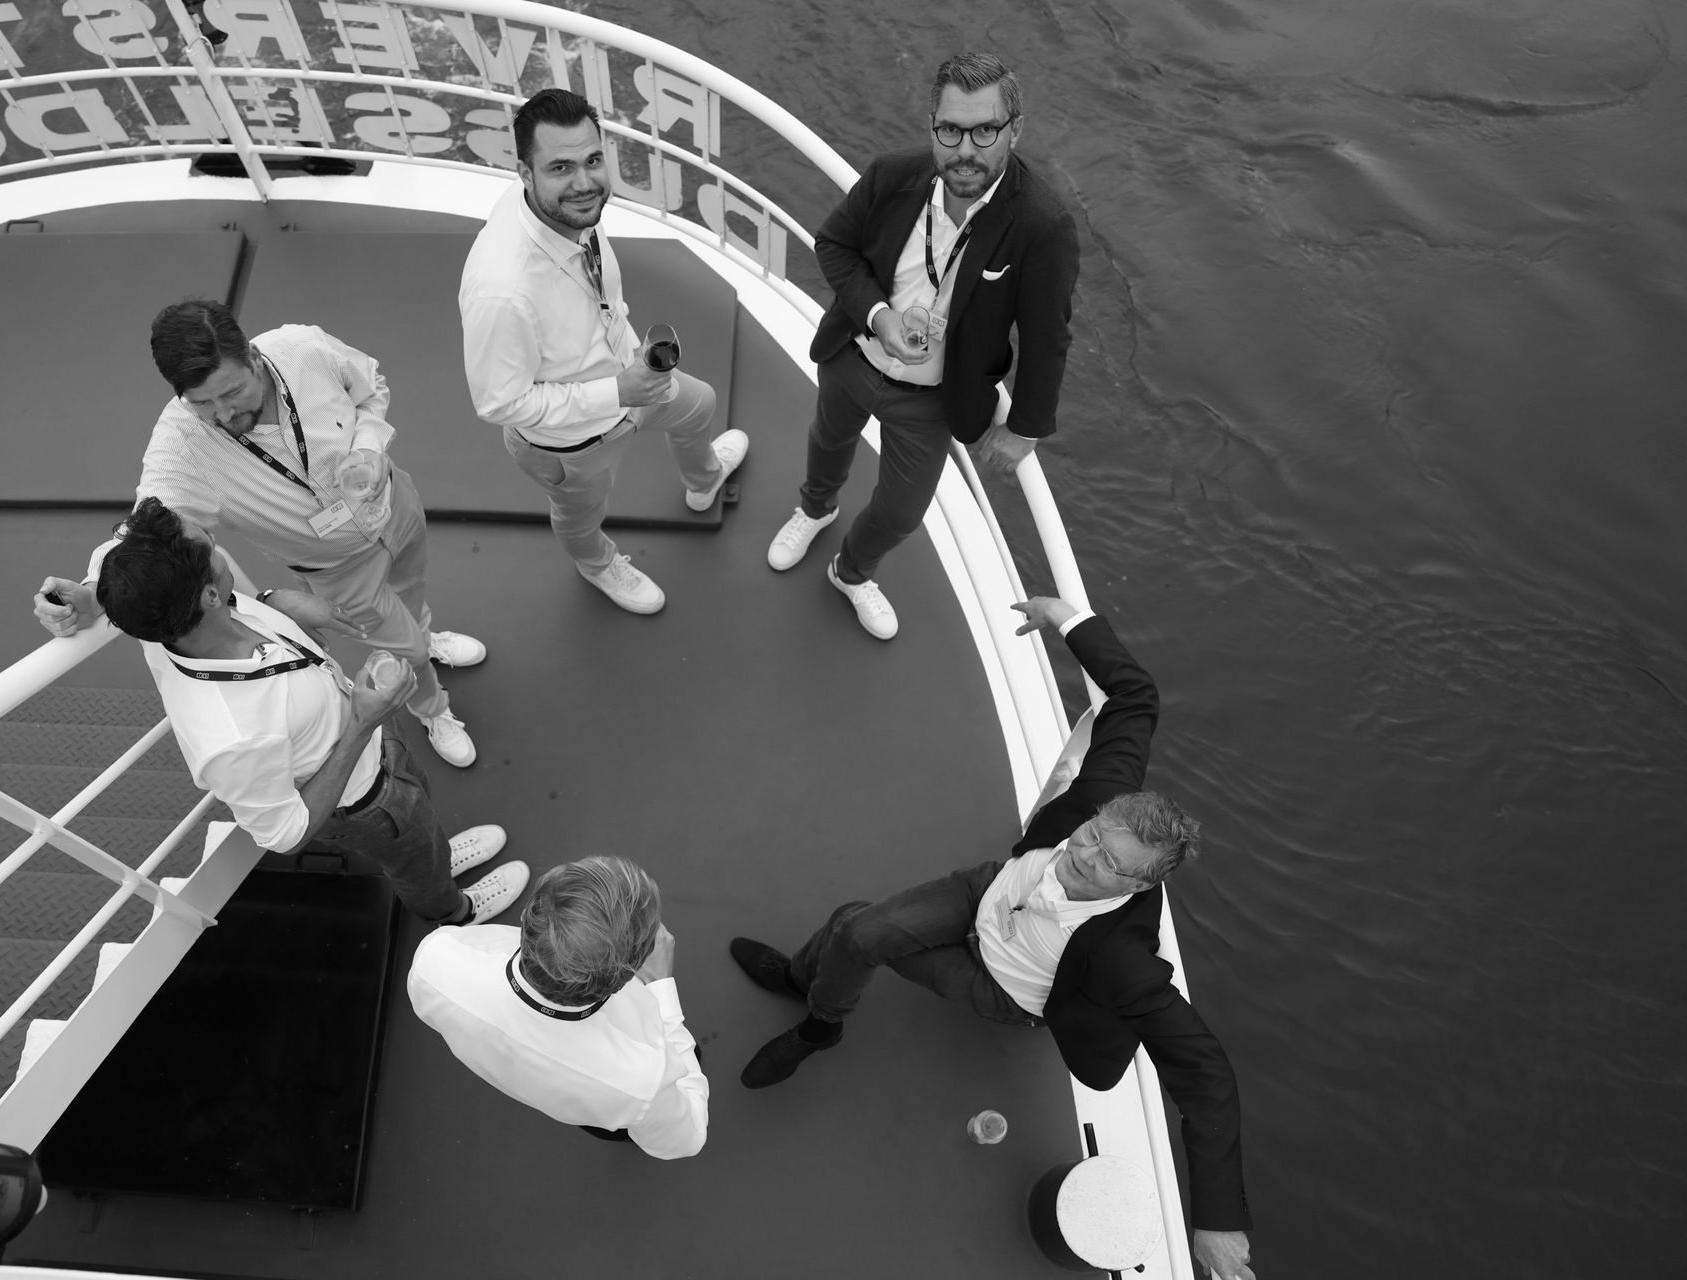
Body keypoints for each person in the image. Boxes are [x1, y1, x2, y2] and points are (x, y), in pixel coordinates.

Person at [730, 597, 1255, 1280]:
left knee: (855, 927)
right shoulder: (1101, 797)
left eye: (1108, 864)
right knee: (857, 928)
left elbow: (1206, 1076)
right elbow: (1136, 697)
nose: (1082, 856)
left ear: (1139, 885)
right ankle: (818, 1012)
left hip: (1004, 987)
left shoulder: (1124, 960)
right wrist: (1065, 616)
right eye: (1092, 834)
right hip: (986, 893)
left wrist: (1217, 1219)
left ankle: (814, 1003)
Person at [34, 300, 484, 768]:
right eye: (201, 402)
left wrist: (368, 446)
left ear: (254, 357)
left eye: (232, 392)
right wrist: (93, 592)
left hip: (396, 503)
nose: (223, 413)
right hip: (337, 569)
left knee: (412, 590)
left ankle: (426, 635)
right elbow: (144, 533)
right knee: (406, 651)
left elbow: (370, 387)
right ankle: (433, 709)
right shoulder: (182, 446)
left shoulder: (305, 348)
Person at [44, 497, 528, 925]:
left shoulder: (163, 608)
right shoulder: (228, 738)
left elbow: (111, 557)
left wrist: (271, 602)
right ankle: (452, 909)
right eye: (212, 548)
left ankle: (434, 853)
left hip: (374, 735)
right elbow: (287, 835)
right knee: (409, 853)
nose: (217, 543)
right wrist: (362, 724)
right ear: (209, 596)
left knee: (419, 831)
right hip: (364, 800)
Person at [766, 52, 1080, 640]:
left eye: (985, 131)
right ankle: (815, 509)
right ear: (931, 126)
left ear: (1015, 130)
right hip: (854, 356)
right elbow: (834, 244)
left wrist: (1026, 428)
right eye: (950, 130)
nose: (966, 150)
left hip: (932, 401)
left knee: (902, 511)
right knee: (827, 441)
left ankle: (851, 571)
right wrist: (878, 315)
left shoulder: (1043, 225)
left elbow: (1047, 335)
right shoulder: (892, 175)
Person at [458, 87, 749, 615]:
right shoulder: (502, 291)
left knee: (700, 405)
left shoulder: (568, 210)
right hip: (571, 444)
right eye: (561, 168)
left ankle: (704, 481)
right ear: (525, 174)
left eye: (592, 160)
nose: (585, 182)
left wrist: (629, 373)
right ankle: (597, 565)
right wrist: (617, 392)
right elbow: (499, 404)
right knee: (580, 515)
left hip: (630, 377)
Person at [406, 856, 708, 1159]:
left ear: (525, 915)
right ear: (630, 974)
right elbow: (686, 1138)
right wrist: (661, 991)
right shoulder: (644, 1081)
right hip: (615, 1104)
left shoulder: (434, 960)